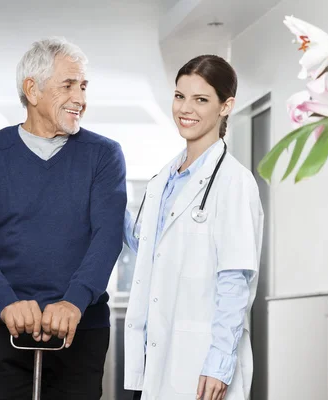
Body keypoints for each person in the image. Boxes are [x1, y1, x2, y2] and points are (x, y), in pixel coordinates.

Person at [0, 37, 126, 400]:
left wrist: (74, 302)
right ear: (32, 90)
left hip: (80, 329)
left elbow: (107, 236)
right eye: (68, 85)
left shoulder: (104, 155)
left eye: (83, 86)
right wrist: (4, 301)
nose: (80, 98)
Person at [123, 55, 264, 400]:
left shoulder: (234, 182)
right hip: (160, 353)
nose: (186, 109)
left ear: (226, 106)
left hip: (202, 360)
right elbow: (150, 251)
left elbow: (235, 281)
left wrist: (218, 364)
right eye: (179, 96)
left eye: (201, 99)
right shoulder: (162, 181)